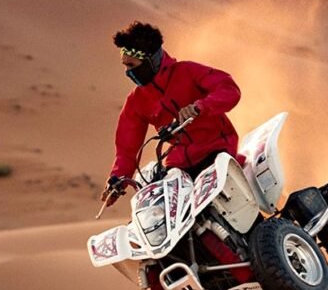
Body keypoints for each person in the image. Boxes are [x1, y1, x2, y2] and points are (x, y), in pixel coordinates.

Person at [101, 21, 241, 206]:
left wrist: (201, 106)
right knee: (162, 210)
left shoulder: (187, 71)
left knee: (228, 205)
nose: (128, 71)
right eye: (125, 65)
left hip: (217, 150)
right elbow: (127, 149)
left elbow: (229, 90)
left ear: (150, 60)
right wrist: (117, 179)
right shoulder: (136, 101)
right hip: (178, 164)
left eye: (131, 65)